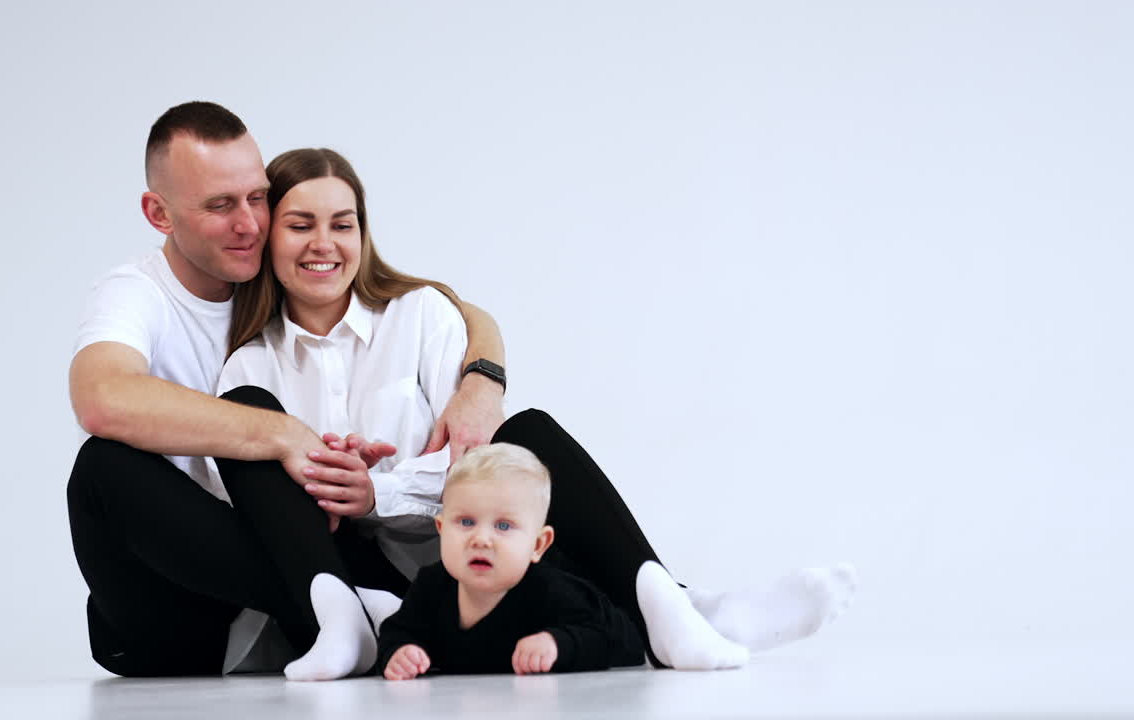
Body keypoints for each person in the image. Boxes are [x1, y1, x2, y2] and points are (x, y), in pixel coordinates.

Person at [214, 147, 859, 680]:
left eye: (343, 223)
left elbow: (485, 460)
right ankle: (693, 611)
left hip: (485, 553)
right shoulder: (248, 370)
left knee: (529, 434)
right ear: (269, 235)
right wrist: (331, 497)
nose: (324, 243)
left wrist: (377, 489)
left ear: (363, 232)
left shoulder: (420, 317)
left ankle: (677, 606)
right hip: (373, 586)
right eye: (300, 224)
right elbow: (253, 505)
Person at [65, 101, 508, 677]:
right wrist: (281, 435)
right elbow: (101, 397)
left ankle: (343, 609)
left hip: (302, 570)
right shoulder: (137, 294)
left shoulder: (292, 296)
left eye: (257, 198)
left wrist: (483, 376)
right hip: (179, 603)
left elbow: (441, 307)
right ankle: (347, 606)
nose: (248, 223)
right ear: (160, 213)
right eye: (220, 206)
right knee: (104, 468)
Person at [378, 444, 646, 678]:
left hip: (615, 624)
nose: (481, 539)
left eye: (503, 526)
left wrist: (557, 643)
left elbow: (614, 642)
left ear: (538, 545)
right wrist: (401, 652)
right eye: (466, 522)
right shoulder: (431, 586)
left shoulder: (550, 590)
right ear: (442, 528)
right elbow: (398, 631)